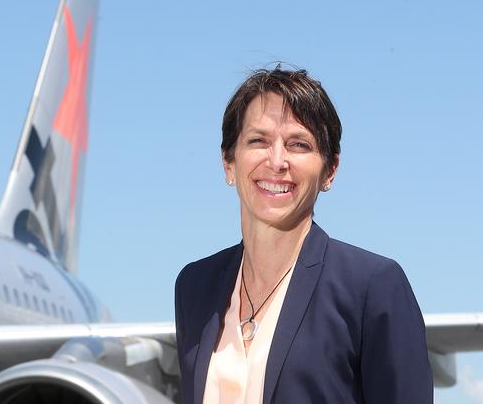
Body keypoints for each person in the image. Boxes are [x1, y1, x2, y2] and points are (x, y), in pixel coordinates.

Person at [174, 67, 433, 403]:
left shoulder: (372, 286)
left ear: (330, 170)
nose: (277, 161)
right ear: (229, 162)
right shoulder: (194, 286)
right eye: (258, 141)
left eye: (299, 144)